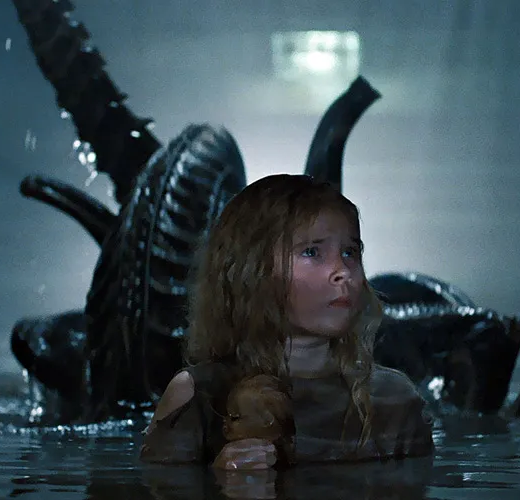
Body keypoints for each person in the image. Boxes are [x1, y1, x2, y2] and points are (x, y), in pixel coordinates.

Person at [139, 174, 434, 468]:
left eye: (350, 252)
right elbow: (155, 487)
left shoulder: (394, 400)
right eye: (312, 252)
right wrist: (220, 480)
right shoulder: (197, 395)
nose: (343, 271)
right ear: (251, 271)